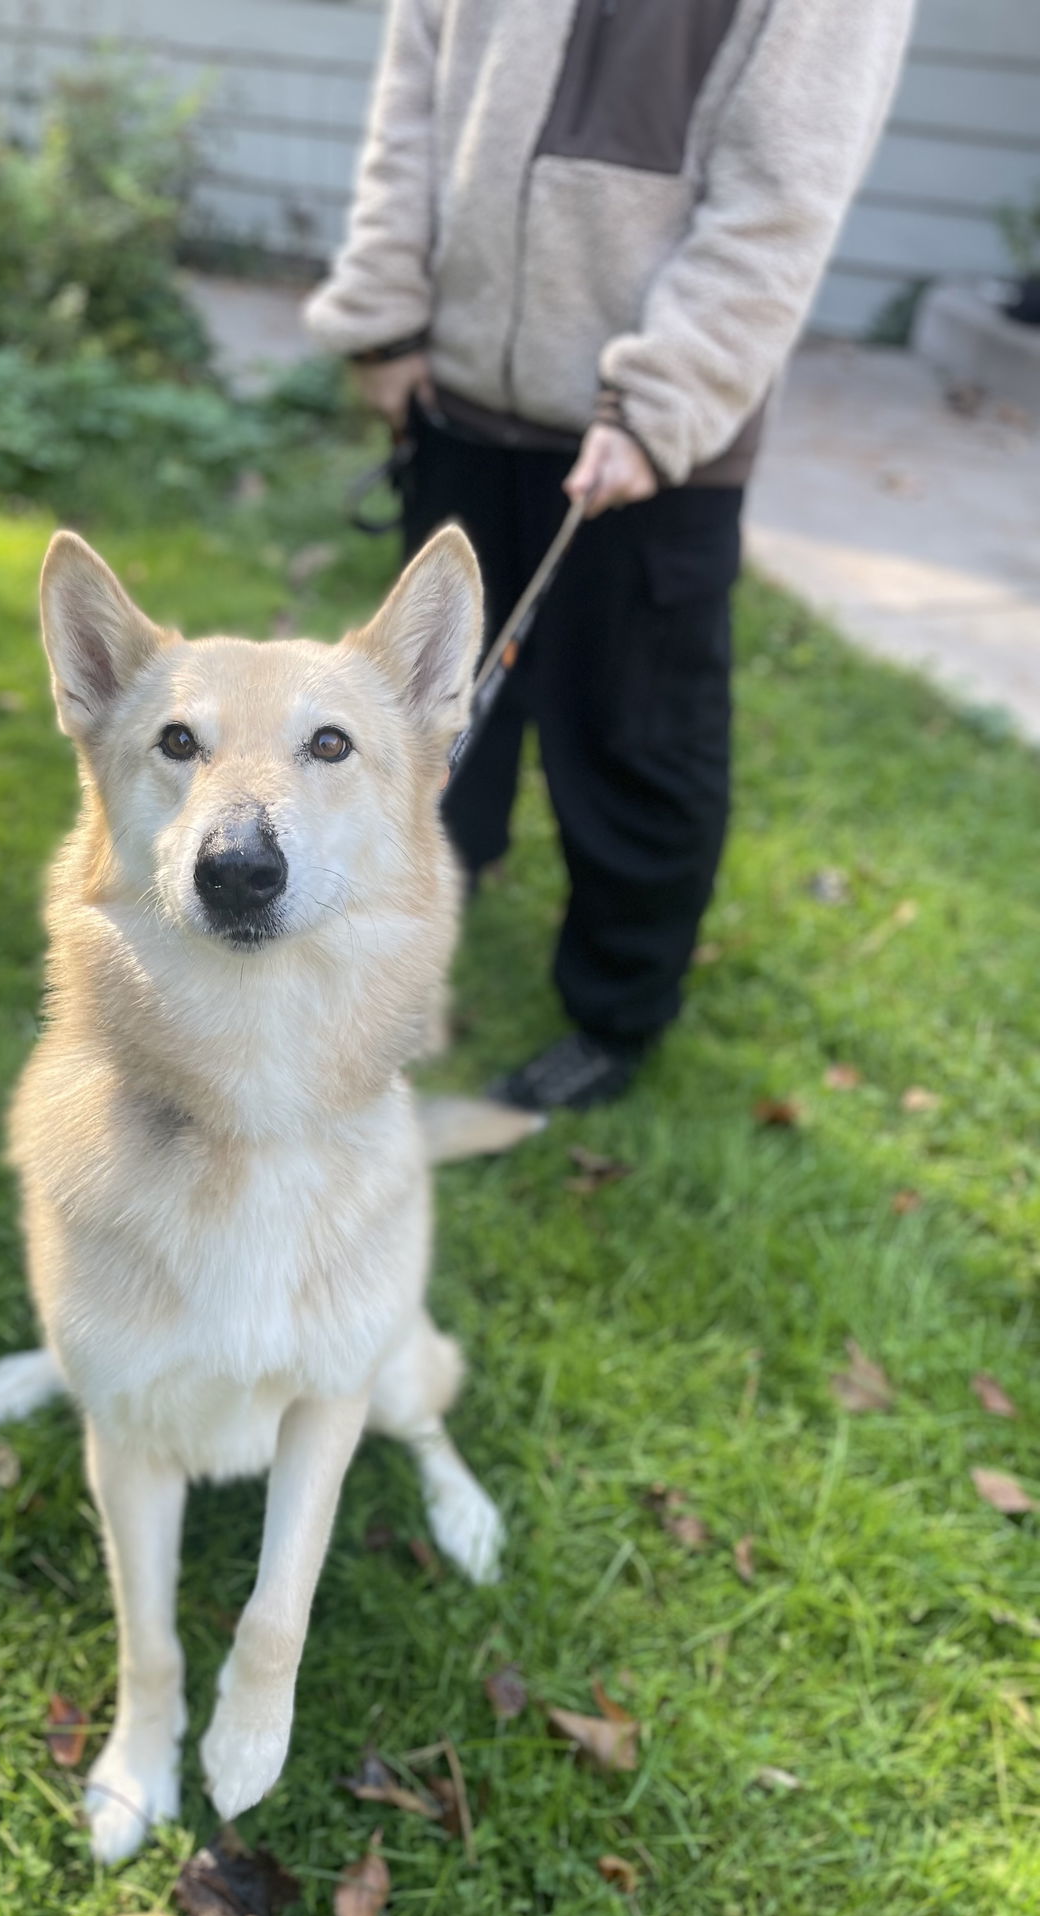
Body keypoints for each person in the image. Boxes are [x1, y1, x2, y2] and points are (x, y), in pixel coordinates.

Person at [305, 0, 913, 1110]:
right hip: (454, 402)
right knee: (429, 710)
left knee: (634, 743)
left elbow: (783, 193)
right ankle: (424, 918)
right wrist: (385, 322)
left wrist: (659, 398)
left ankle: (617, 1013)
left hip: (644, 443)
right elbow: (414, 94)